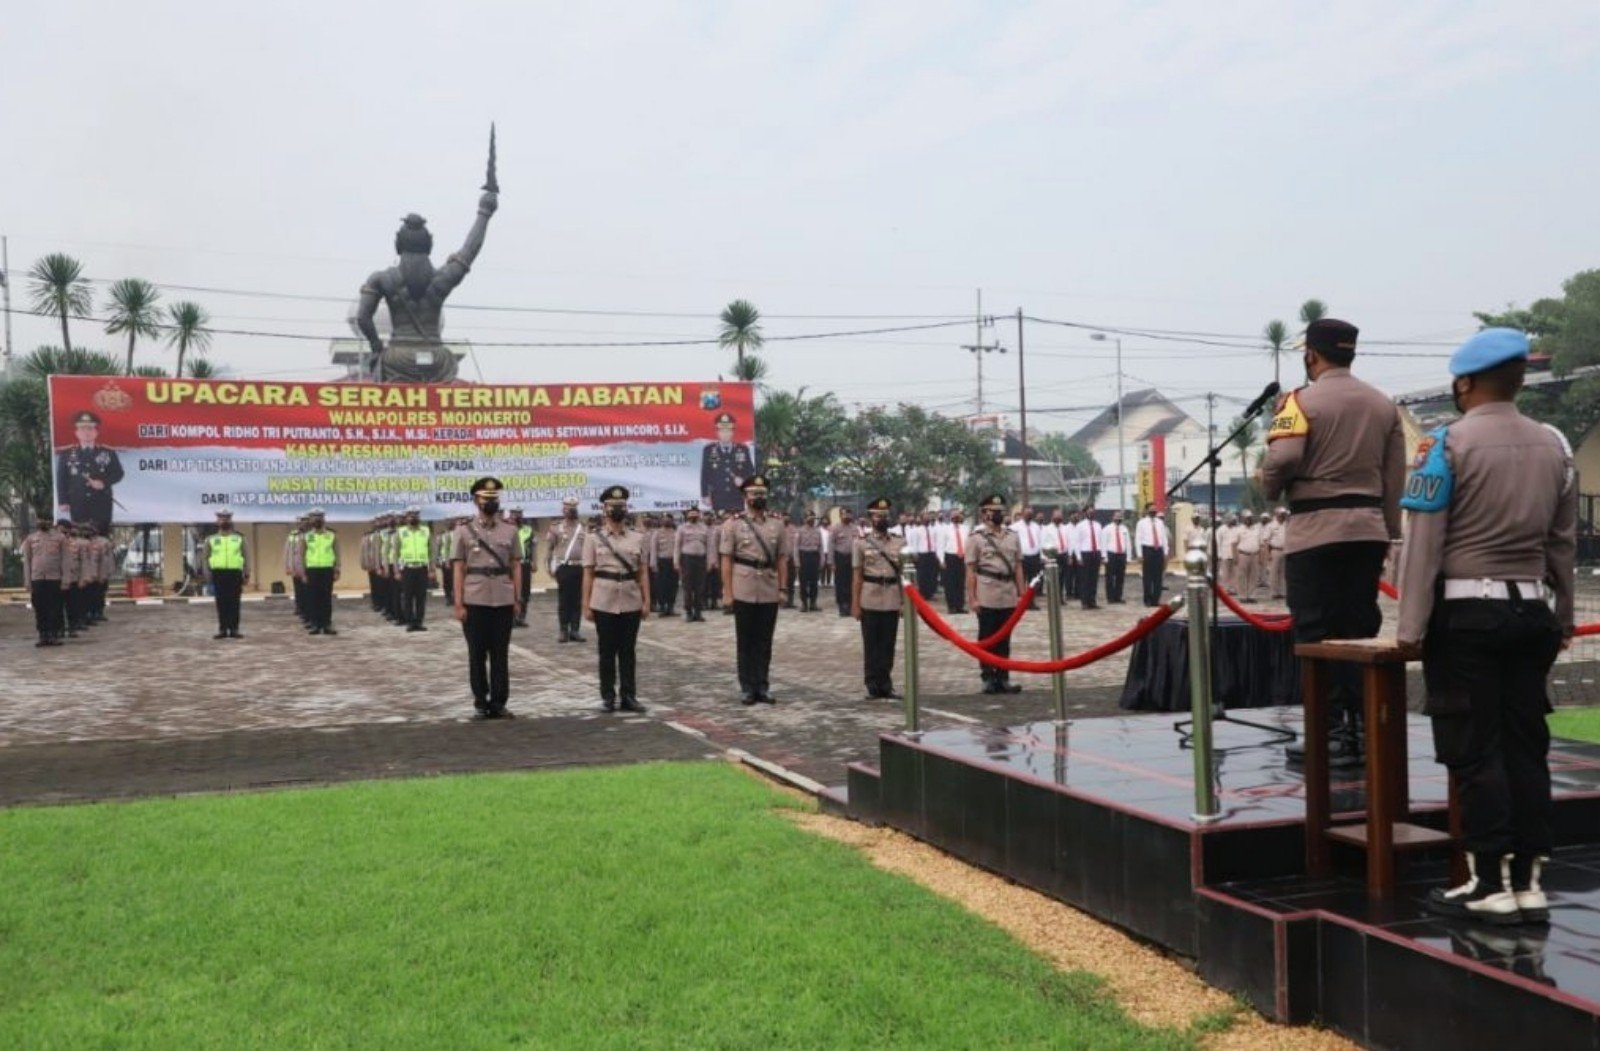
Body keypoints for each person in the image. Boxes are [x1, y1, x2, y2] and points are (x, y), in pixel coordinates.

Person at [1395, 329, 1575, 925]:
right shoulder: (1555, 445)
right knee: (1527, 746)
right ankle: (1529, 882)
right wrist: (1564, 614)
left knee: (1475, 748)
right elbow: (1561, 545)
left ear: (1465, 382)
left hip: (1468, 616)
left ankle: (1489, 882)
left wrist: (1411, 626)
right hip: (1532, 613)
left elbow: (1424, 543)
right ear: (1519, 379)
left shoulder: (1445, 445)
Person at [1260, 318, 1405, 767]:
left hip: (1315, 531)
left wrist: (1268, 485)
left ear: (1311, 355)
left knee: (1316, 633)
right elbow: (1394, 474)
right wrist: (1388, 526)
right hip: (1366, 530)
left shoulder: (1296, 402)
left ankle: (1330, 731)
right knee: (1360, 628)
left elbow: (1284, 456)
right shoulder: (1383, 405)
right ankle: (1364, 727)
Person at [452, 477, 523, 719]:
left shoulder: (510, 530)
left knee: (500, 653)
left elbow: (516, 566)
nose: (491, 502)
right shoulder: (462, 531)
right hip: (475, 599)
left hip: (503, 599)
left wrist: (517, 598)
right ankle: (481, 701)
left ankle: (499, 702)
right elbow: (459, 568)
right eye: (486, 499)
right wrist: (459, 602)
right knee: (477, 654)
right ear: (476, 500)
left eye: (494, 499)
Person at [720, 474, 788, 704]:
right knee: (746, 640)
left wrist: (783, 588)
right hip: (744, 587)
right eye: (753, 493)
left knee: (764, 641)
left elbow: (781, 559)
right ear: (745, 496)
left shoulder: (777, 524)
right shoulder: (734, 524)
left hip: (768, 586)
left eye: (762, 493)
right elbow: (726, 560)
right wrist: (727, 593)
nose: (758, 497)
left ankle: (763, 685)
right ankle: (747, 687)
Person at [583, 485, 651, 713]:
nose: (616, 510)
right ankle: (608, 696)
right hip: (603, 599)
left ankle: (629, 695)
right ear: (604, 509)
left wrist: (646, 601)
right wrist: (586, 604)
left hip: (631, 598)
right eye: (612, 507)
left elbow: (643, 572)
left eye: (620, 506)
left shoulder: (638, 538)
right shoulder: (593, 539)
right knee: (606, 651)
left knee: (628, 651)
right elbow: (588, 573)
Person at [968, 494, 1026, 695]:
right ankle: (987, 677)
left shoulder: (1013, 536)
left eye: (1001, 511)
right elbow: (971, 570)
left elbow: (1018, 566)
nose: (999, 514)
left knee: (1005, 639)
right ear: (985, 514)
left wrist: (1022, 593)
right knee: (987, 637)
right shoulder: (976, 538)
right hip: (987, 593)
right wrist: (972, 598)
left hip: (1007, 592)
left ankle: (1003, 677)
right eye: (994, 511)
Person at [853, 497, 906, 700]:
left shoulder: (900, 542)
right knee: (871, 644)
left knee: (888, 644)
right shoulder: (861, 543)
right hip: (870, 596)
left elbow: (904, 575)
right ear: (870, 518)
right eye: (877, 516)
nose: (882, 519)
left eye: (885, 516)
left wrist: (903, 602)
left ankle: (886, 683)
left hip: (892, 596)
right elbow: (857, 577)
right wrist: (855, 605)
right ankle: (872, 684)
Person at [55, 410, 124, 537]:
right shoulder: (67, 454)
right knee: (80, 538)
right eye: (82, 429)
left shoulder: (107, 452)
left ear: (96, 432)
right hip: (78, 502)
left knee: (101, 538)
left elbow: (118, 473)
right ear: (77, 432)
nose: (86, 432)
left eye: (90, 429)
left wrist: (103, 483)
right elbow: (61, 479)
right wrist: (63, 501)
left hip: (101, 503)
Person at [198, 507, 248, 639]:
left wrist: (247, 573)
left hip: (235, 574)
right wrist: (207, 574)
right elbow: (205, 558)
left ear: (231, 520)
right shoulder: (211, 539)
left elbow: (246, 556)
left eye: (227, 518)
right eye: (221, 518)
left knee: (235, 602)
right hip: (218, 574)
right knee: (221, 602)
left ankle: (234, 629)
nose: (224, 520)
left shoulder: (239, 538)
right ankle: (222, 629)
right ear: (217, 521)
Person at [21, 515, 67, 647]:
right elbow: (27, 562)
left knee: (55, 608)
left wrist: (65, 580)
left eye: (45, 520)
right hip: (37, 578)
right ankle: (43, 635)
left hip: (54, 578)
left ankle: (53, 635)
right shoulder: (31, 539)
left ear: (50, 522)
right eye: (40, 520)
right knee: (40, 608)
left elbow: (66, 560)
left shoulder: (60, 538)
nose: (42, 522)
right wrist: (27, 581)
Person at [700, 411, 758, 513]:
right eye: (722, 430)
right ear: (717, 432)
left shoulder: (743, 449)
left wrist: (744, 481)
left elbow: (750, 471)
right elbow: (705, 474)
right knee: (720, 525)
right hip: (718, 497)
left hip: (736, 497)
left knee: (737, 524)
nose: (725, 434)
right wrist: (705, 495)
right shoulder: (709, 450)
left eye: (728, 430)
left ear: (732, 432)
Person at [546, 497, 587, 640]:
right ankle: (563, 630)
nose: (571, 510)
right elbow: (550, 549)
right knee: (564, 600)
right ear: (563, 510)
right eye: (568, 508)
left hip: (579, 567)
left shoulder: (583, 527)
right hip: (563, 567)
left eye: (573, 507)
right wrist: (550, 567)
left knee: (577, 600)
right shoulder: (556, 527)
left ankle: (575, 630)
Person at [301, 507, 341, 635]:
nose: (317, 519)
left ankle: (327, 624)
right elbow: (301, 555)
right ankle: (315, 624)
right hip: (312, 570)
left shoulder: (331, 535)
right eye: (314, 517)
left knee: (326, 598)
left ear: (324, 519)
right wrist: (303, 572)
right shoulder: (307, 536)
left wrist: (337, 569)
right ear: (311, 520)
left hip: (327, 570)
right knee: (313, 598)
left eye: (320, 517)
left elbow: (337, 553)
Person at [395, 506, 432, 631]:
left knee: (421, 597)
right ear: (407, 517)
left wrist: (432, 569)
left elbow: (431, 551)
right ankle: (410, 622)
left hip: (422, 568)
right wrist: (396, 571)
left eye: (416, 515)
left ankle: (419, 622)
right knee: (408, 596)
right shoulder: (401, 532)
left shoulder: (426, 531)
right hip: (407, 568)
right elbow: (396, 553)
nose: (414, 517)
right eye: (411, 515)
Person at [676, 506, 711, 621]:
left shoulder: (704, 528)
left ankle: (698, 612)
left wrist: (710, 561)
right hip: (687, 559)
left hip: (701, 559)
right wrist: (676, 561)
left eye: (695, 513)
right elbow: (677, 546)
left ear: (699, 515)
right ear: (687, 515)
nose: (693, 515)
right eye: (691, 514)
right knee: (688, 587)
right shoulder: (682, 528)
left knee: (700, 587)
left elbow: (709, 546)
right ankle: (689, 612)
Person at [1134, 504, 1170, 607]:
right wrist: (1139, 554)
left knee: (1158, 577)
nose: (1153, 511)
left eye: (1155, 509)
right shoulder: (1141, 523)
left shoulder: (1160, 523)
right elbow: (1138, 539)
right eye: (1151, 510)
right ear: (1146, 511)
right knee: (1148, 577)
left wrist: (1166, 552)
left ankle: (1155, 600)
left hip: (1158, 550)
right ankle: (1147, 600)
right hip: (1147, 550)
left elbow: (1164, 538)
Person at [1072, 505, 1102, 610]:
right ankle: (1084, 602)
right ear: (1085, 513)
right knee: (1085, 579)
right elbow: (1076, 542)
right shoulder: (1080, 526)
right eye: (1089, 512)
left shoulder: (1098, 525)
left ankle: (1092, 601)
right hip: (1085, 553)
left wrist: (1101, 554)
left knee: (1094, 579)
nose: (1091, 513)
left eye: (1093, 511)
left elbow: (1100, 540)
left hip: (1096, 552)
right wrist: (1078, 557)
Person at [939, 509, 969, 614]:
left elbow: (968, 544)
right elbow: (941, 545)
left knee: (960, 583)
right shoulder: (945, 529)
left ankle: (960, 606)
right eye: (954, 515)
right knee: (950, 583)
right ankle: (951, 606)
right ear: (950, 517)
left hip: (962, 557)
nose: (956, 517)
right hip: (950, 556)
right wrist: (942, 560)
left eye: (958, 515)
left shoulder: (965, 529)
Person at [829, 509, 858, 617]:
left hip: (853, 558)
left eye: (849, 514)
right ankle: (842, 605)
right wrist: (831, 562)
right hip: (840, 557)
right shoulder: (835, 528)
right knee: (841, 583)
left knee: (852, 581)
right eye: (844, 514)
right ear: (841, 516)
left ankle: (850, 604)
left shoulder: (855, 528)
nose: (847, 516)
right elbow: (831, 545)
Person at [795, 513, 824, 612]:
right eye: (809, 518)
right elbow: (796, 547)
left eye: (813, 518)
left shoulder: (818, 531)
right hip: (804, 556)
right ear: (805, 519)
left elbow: (820, 547)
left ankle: (813, 603)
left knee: (814, 582)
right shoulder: (800, 531)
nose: (811, 520)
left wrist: (822, 560)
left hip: (814, 557)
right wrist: (797, 562)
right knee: (803, 582)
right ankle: (804, 603)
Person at [1101, 511, 1131, 604]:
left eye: (1120, 517)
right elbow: (1103, 543)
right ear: (1113, 517)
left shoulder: (1124, 529)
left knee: (1120, 577)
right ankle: (1110, 598)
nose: (1118, 518)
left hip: (1121, 555)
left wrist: (1128, 557)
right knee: (1110, 577)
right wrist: (1104, 556)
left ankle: (1118, 597)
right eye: (1116, 516)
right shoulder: (1107, 529)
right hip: (1111, 555)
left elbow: (1128, 543)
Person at [285, 515, 309, 626]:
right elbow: (287, 551)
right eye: (298, 522)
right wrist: (288, 566)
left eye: (302, 522)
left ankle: (307, 610)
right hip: (295, 566)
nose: (300, 524)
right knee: (298, 589)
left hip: (307, 566)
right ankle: (299, 607)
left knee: (307, 590)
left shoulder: (310, 534)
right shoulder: (292, 535)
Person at [1234, 511, 1262, 601]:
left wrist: (1261, 557)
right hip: (1243, 554)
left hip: (1255, 555)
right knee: (1242, 576)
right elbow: (1234, 544)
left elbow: (1261, 544)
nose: (1248, 520)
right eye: (1246, 518)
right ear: (1243, 519)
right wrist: (1235, 557)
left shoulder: (1257, 529)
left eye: (1250, 518)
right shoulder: (1239, 529)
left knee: (1254, 576)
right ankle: (1242, 596)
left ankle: (1251, 596)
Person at [1265, 507, 1290, 599]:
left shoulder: (1287, 524)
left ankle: (1282, 592)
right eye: (1281, 514)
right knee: (1274, 573)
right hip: (1275, 550)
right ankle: (1274, 593)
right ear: (1276, 514)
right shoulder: (1271, 526)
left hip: (1285, 550)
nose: (1282, 516)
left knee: (1284, 573)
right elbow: (1266, 541)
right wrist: (1268, 554)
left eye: (1284, 514)